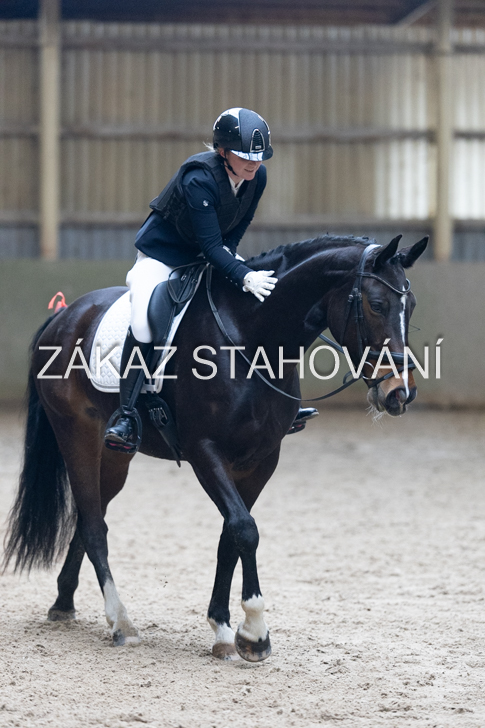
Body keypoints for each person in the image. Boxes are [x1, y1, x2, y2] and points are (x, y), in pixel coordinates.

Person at [104, 108, 317, 454]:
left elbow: (236, 229)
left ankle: (281, 403)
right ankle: (126, 415)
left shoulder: (257, 177)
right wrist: (243, 274)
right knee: (143, 323)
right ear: (222, 151)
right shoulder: (198, 179)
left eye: (258, 157)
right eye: (245, 157)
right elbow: (209, 245)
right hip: (162, 257)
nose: (254, 164)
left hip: (211, 254)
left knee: (260, 306)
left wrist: (236, 263)